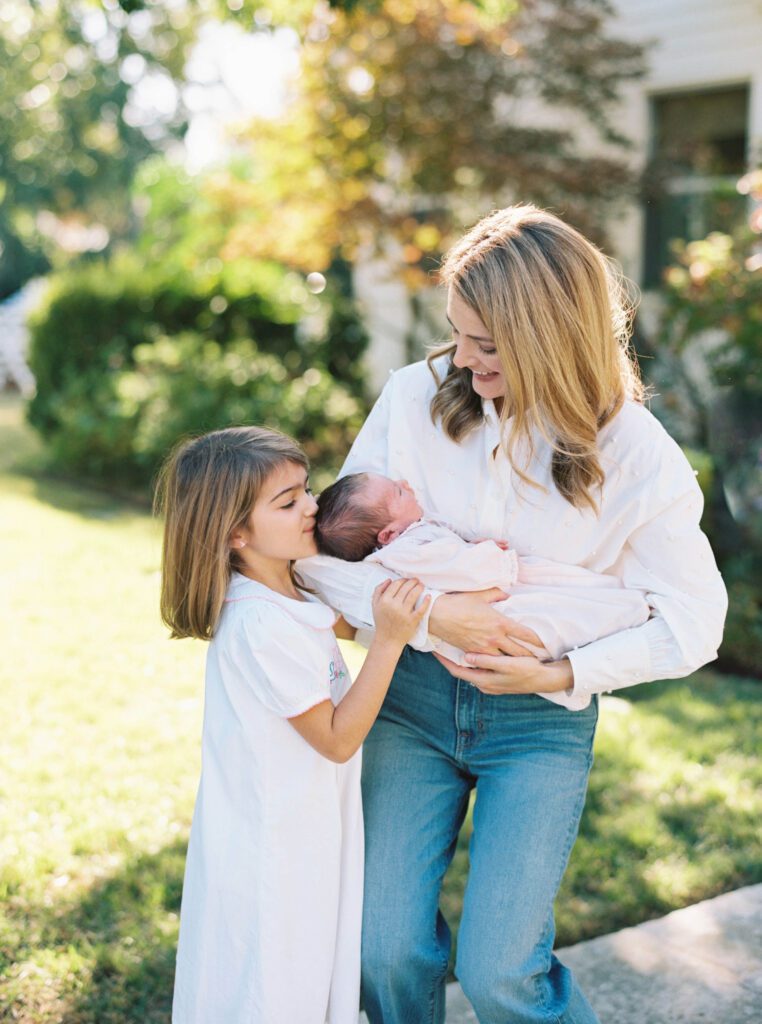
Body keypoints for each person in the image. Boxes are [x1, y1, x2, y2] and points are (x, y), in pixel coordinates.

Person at [297, 204, 727, 1024]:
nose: (463, 359)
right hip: (409, 706)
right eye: (458, 333)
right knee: (381, 949)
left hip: (538, 726)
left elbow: (695, 622)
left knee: (499, 974)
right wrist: (433, 620)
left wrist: (562, 671)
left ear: (555, 338)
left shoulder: (637, 455)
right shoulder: (414, 399)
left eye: (488, 345)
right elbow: (323, 561)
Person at [154, 425, 428, 1024]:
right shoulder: (259, 625)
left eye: (306, 490)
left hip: (307, 831)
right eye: (289, 503)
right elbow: (335, 739)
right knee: (273, 989)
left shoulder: (292, 593)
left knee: (308, 981)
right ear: (234, 533)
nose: (313, 507)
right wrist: (389, 642)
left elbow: (338, 622)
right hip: (272, 849)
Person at [313, 470, 651, 700]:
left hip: (491, 609)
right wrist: (492, 555)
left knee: (573, 600)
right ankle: (632, 611)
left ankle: (627, 609)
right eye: (399, 492)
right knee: (569, 612)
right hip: (502, 605)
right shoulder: (409, 550)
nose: (406, 484)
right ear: (387, 535)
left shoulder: (410, 542)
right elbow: (471, 571)